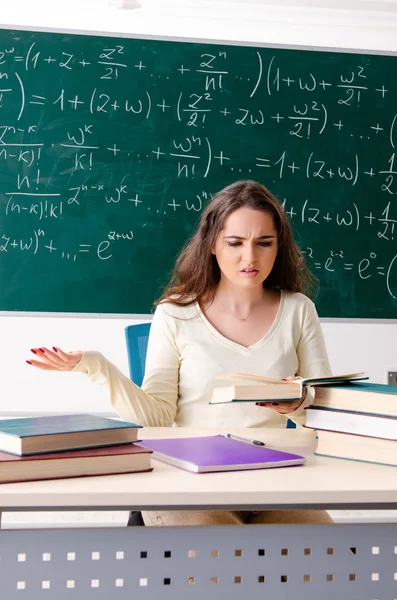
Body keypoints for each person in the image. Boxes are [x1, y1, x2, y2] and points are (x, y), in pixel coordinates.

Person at [27, 180, 333, 526]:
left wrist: (299, 402)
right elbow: (157, 418)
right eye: (234, 243)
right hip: (192, 481)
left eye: (264, 243)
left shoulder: (299, 310)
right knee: (219, 568)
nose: (250, 257)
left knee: (335, 564)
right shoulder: (175, 313)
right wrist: (96, 366)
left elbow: (327, 412)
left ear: (279, 248)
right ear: (213, 246)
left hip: (275, 479)